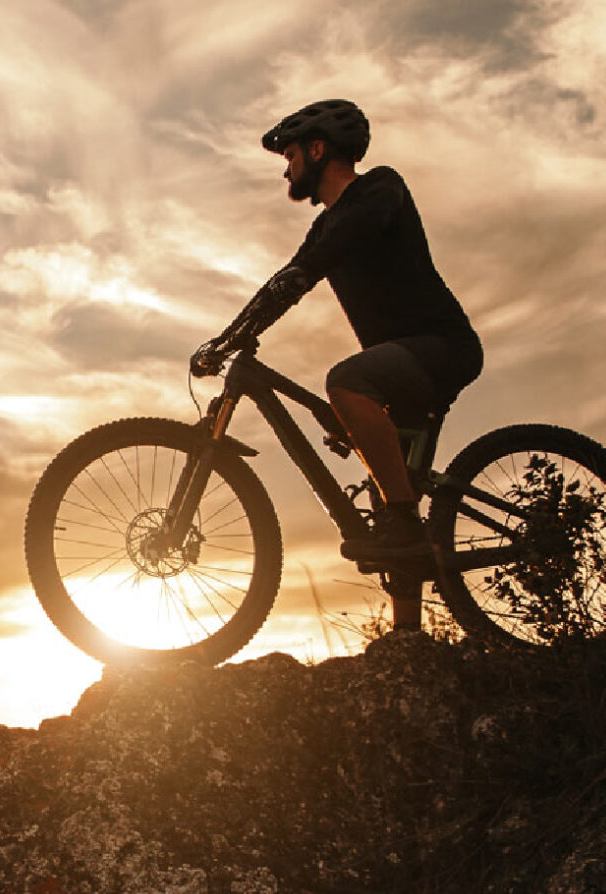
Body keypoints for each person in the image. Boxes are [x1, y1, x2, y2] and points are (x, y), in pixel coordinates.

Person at [194, 99, 482, 628]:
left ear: (319, 148)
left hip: (442, 347)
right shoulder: (324, 229)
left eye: (290, 154)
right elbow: (289, 280)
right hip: (401, 368)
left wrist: (293, 282)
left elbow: (329, 251)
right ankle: (407, 638)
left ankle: (403, 520)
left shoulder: (380, 190)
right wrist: (229, 339)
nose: (286, 167)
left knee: (346, 382)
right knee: (386, 497)